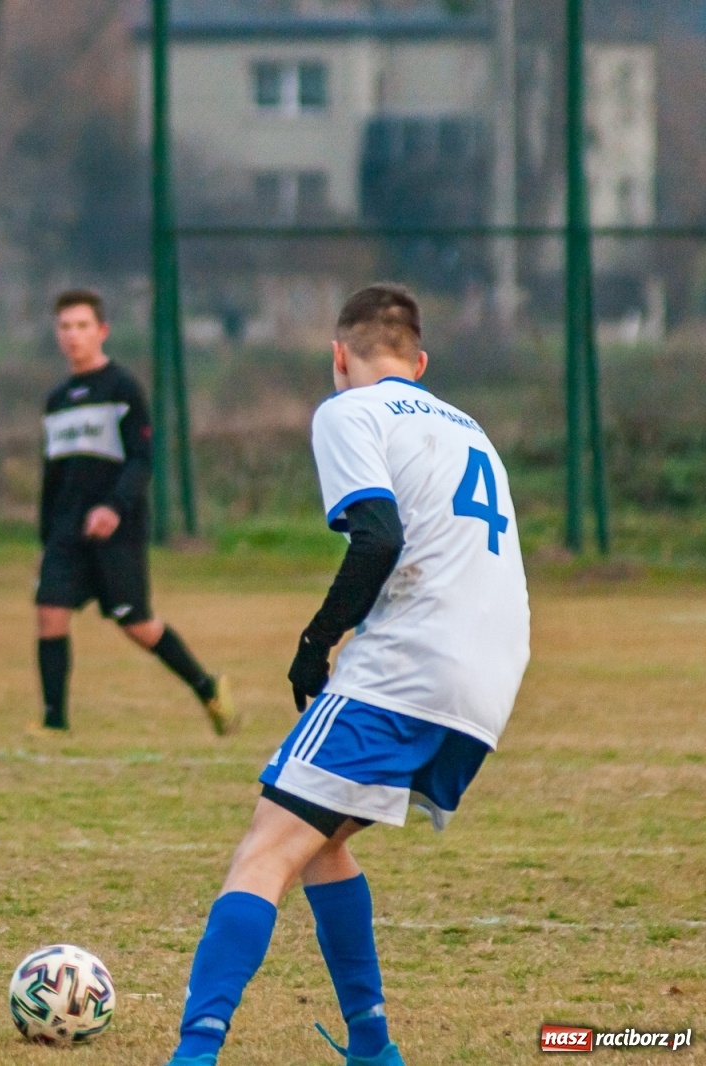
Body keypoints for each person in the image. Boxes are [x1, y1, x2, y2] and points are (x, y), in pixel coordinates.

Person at [164, 284, 530, 1066]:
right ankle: (371, 1045)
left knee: (264, 850)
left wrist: (316, 638)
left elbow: (377, 537)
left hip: (406, 667)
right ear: (420, 364)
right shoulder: (469, 428)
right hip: (490, 681)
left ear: (339, 356)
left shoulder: (350, 410)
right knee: (321, 841)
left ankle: (194, 1053)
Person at [34, 290, 235, 734]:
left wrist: (114, 507)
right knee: (49, 610)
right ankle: (54, 722)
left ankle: (206, 687)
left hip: (116, 532)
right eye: (65, 327)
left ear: (102, 331)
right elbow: (53, 476)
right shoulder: (58, 398)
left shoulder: (122, 388)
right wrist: (45, 539)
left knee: (136, 623)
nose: (73, 335)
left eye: (82, 326)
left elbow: (142, 460)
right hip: (66, 530)